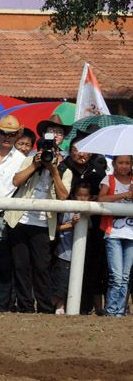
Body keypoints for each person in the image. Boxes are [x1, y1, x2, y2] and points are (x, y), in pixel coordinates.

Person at [5, 126, 72, 313]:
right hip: (19, 220)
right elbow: (16, 181)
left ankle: (45, 307)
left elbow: (63, 196)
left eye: (52, 152)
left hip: (43, 224)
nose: (48, 155)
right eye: (45, 152)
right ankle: (25, 306)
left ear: (58, 153)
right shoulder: (29, 160)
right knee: (21, 266)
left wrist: (54, 170)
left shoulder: (64, 169)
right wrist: (35, 165)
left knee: (42, 268)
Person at [58, 125, 108, 315]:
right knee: (61, 266)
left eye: (85, 150)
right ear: (70, 151)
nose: (81, 154)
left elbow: (104, 193)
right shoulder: (62, 168)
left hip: (92, 227)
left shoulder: (97, 171)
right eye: (77, 150)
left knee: (91, 266)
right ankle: (59, 304)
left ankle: (85, 307)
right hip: (65, 227)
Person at [0, 115, 27, 312]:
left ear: (17, 136)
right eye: (4, 133)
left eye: (11, 134)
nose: (7, 137)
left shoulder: (22, 160)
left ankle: (0, 303)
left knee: (2, 261)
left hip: (4, 215)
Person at [98, 155, 133, 317]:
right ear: (114, 164)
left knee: (125, 277)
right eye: (121, 163)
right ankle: (111, 311)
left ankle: (119, 311)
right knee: (116, 276)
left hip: (131, 234)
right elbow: (101, 199)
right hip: (113, 233)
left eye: (127, 163)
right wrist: (123, 195)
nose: (124, 166)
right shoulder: (109, 179)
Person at [52, 183, 93, 315]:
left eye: (85, 196)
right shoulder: (67, 209)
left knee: (74, 282)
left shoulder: (87, 212)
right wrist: (72, 224)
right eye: (79, 195)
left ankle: (71, 306)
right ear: (74, 196)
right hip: (64, 253)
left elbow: (89, 230)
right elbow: (57, 228)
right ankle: (58, 306)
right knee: (61, 283)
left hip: (79, 255)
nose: (82, 198)